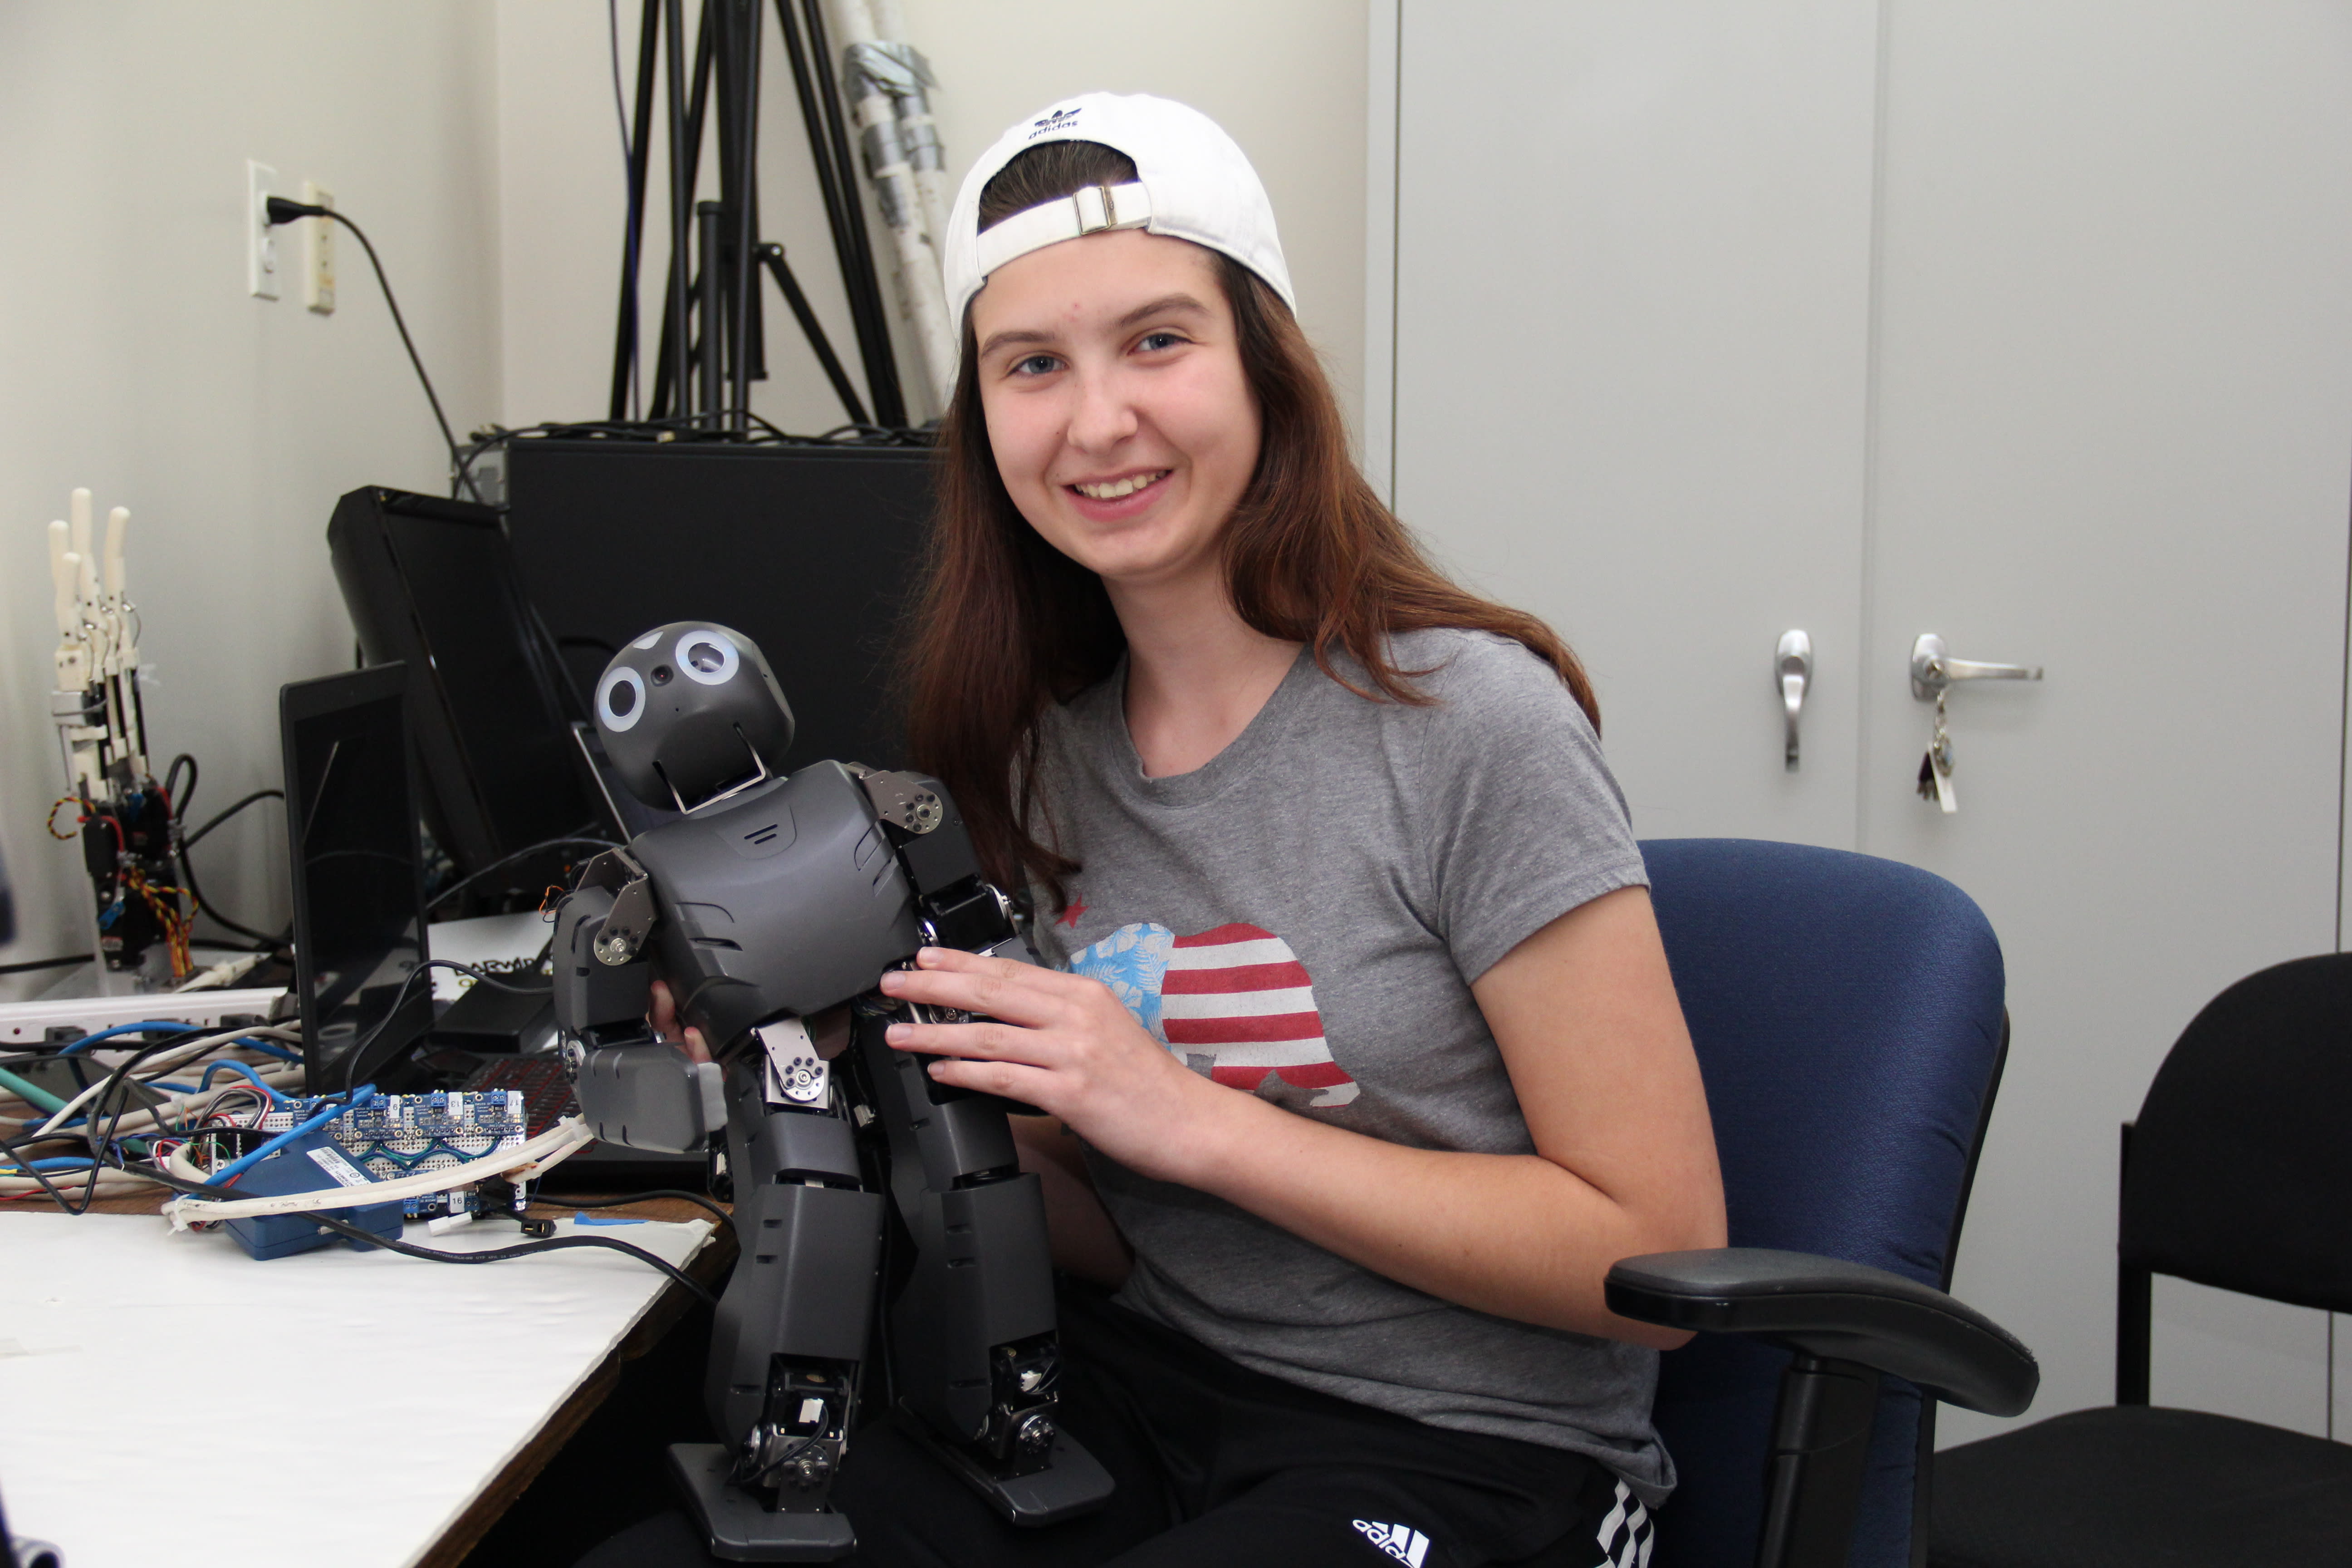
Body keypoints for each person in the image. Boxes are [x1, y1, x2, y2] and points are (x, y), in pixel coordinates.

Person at [595, 92, 1722, 1568]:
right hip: (1137, 1402)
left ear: (1266, 366)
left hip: (1473, 1456)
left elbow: (1661, 1264)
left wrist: (1193, 1120)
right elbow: (1119, 1226)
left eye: (1158, 342)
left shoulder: (1473, 728)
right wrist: (842, 1071)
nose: (1098, 420)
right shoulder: (1043, 758)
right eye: (1032, 366)